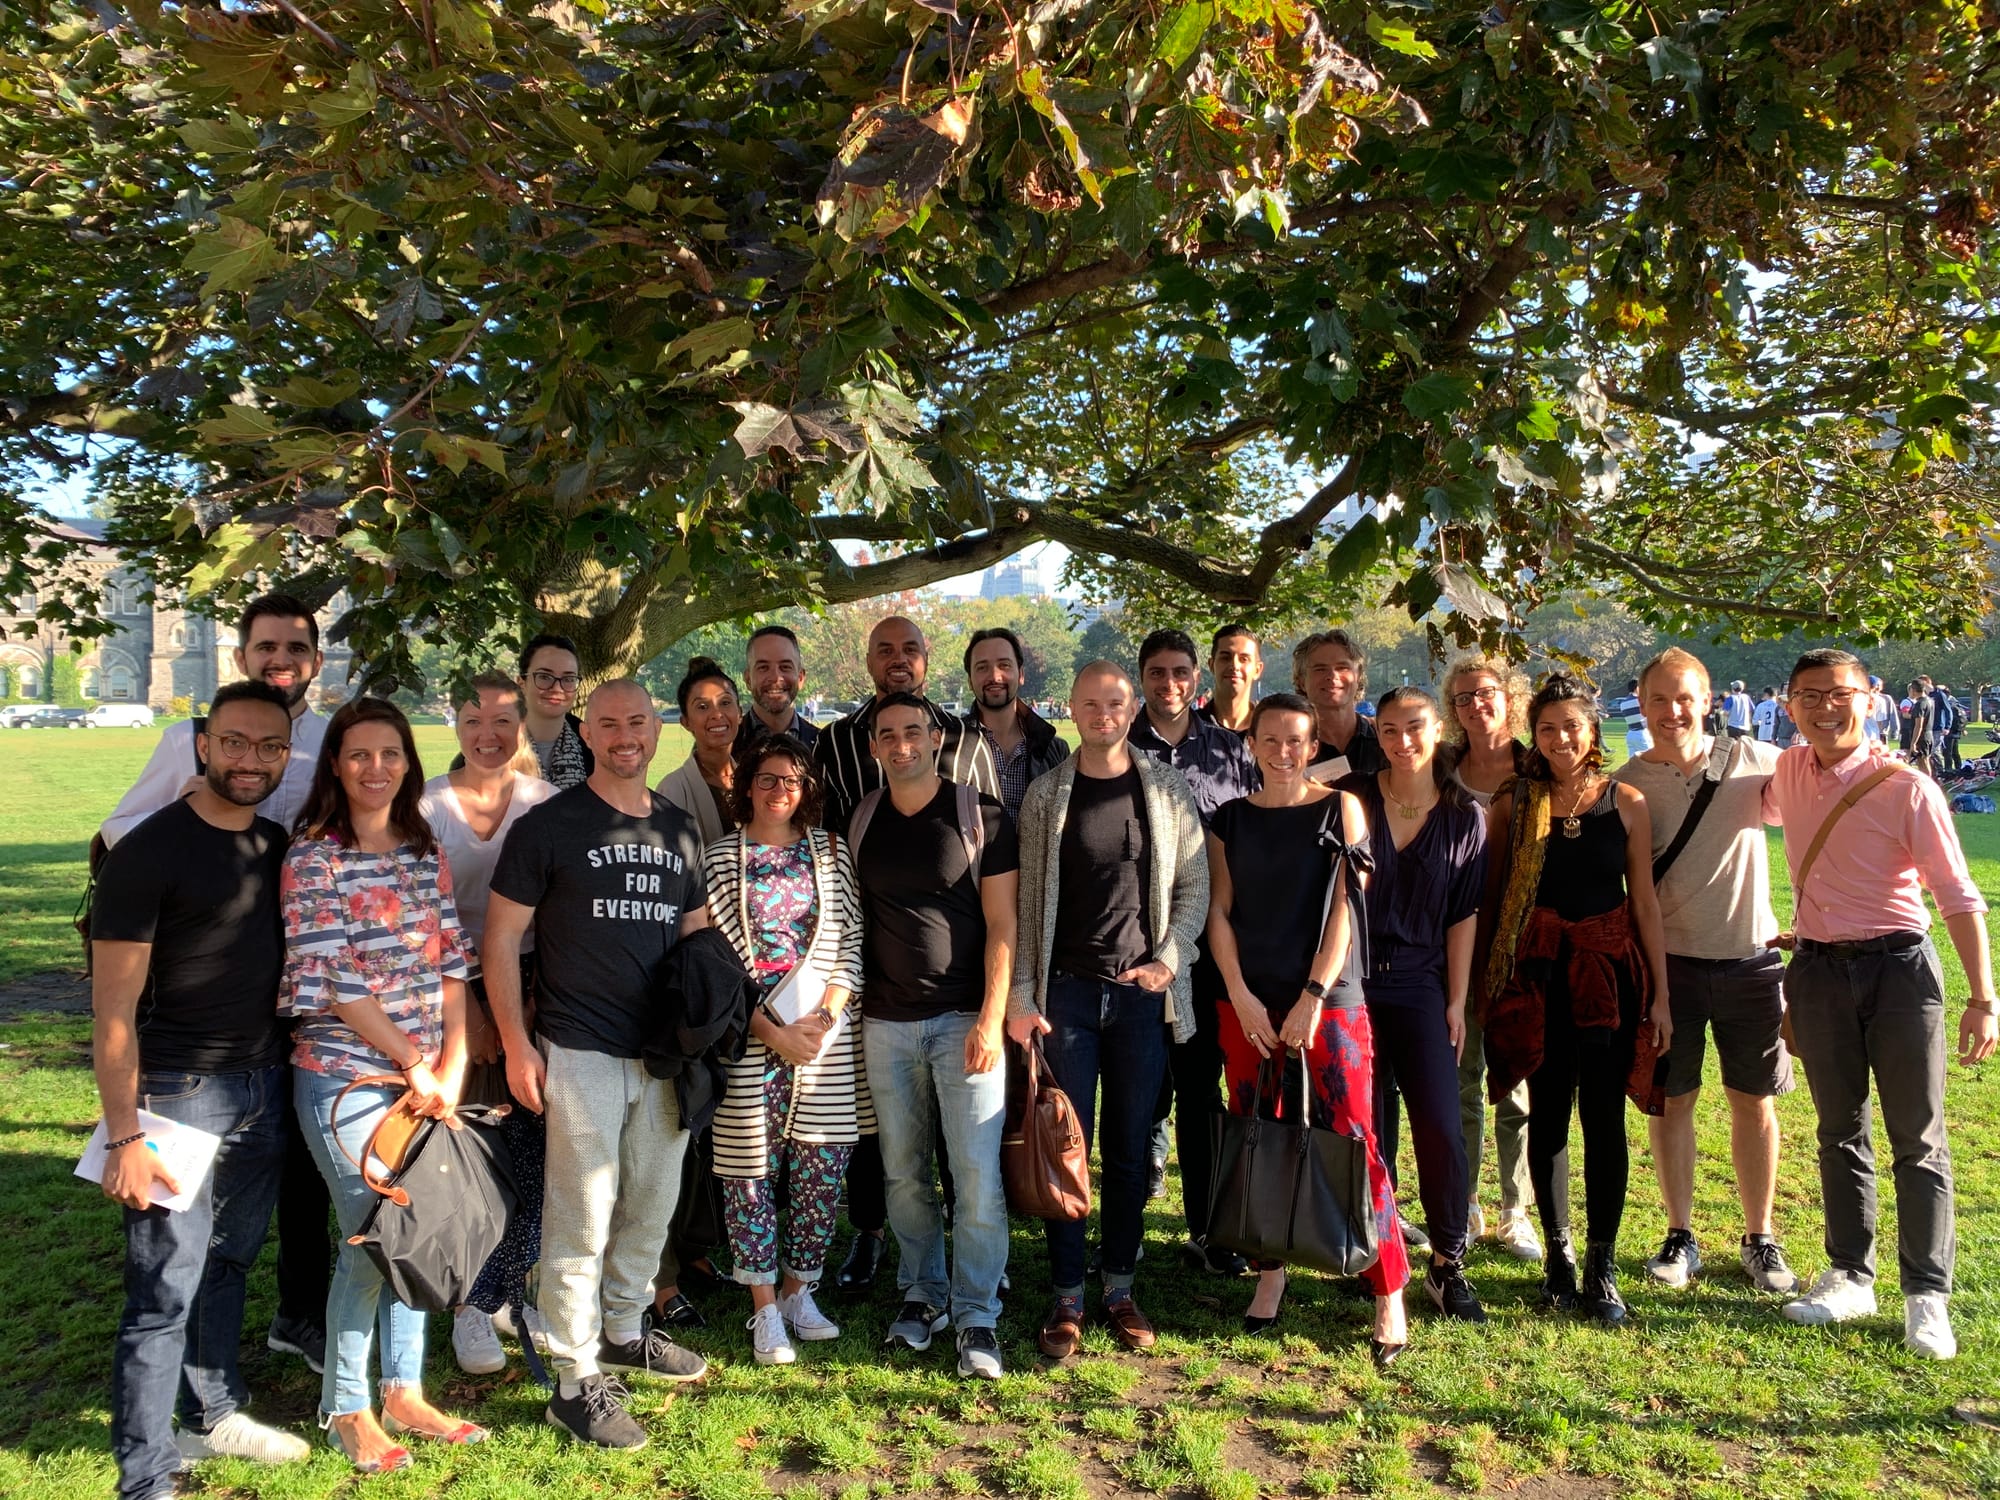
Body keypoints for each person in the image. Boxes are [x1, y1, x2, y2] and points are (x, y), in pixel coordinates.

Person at [99, 593, 334, 1373]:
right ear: (242, 656)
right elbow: (120, 832)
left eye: (295, 649)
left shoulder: (330, 742)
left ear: (315, 661)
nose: (281, 661)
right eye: (267, 647)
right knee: (189, 1227)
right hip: (206, 991)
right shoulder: (187, 740)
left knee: (301, 1174)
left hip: (298, 985)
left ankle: (298, 1314)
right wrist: (194, 842)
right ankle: (189, 1381)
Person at [93, 681, 310, 1500]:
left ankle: (210, 1414)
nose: (251, 760)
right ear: (204, 746)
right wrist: (124, 1134)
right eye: (235, 742)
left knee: (228, 1261)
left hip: (263, 1085)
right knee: (161, 1290)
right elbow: (112, 1011)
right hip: (177, 1095)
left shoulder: (275, 845)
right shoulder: (147, 852)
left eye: (269, 746)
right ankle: (145, 1474)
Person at [484, 680, 712, 1448]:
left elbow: (695, 939)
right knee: (580, 1218)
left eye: (637, 722)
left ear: (657, 728)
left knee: (651, 1205)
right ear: (586, 732)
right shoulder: (550, 826)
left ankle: (623, 1329)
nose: (624, 736)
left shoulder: (680, 829)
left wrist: (707, 1022)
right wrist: (517, 1043)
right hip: (579, 1048)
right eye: (608, 724)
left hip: (662, 1056)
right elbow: (500, 938)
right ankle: (575, 1377)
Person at [1765, 648, 1998, 1358]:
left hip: (1900, 973)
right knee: (1839, 1131)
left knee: (1918, 1140)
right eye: (1808, 695)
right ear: (1788, 704)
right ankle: (1849, 1275)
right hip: (1817, 970)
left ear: (1871, 700)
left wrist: (1983, 998)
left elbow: (1957, 896)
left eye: (1840, 693)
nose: (1824, 707)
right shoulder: (1786, 771)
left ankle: (1926, 1296)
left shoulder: (1908, 788)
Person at [280, 698, 484, 1472]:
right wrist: (413, 1062)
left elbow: (452, 959)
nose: (376, 768)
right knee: (372, 1240)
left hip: (427, 1080)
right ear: (335, 764)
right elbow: (335, 980)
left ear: (408, 763)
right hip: (346, 1078)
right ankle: (346, 1406)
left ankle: (404, 1391)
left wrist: (453, 1065)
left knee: (415, 1231)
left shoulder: (423, 851)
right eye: (359, 754)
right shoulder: (312, 858)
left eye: (390, 754)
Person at [1008, 662, 1209, 1358]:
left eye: (1115, 702)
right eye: (1090, 703)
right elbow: (1027, 904)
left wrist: (1168, 960)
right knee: (1065, 1151)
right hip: (1065, 995)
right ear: (1071, 708)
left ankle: (1119, 1285)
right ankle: (1067, 1294)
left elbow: (1194, 886)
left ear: (1132, 708)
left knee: (1128, 1152)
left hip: (1138, 999)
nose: (1103, 714)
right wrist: (1025, 994)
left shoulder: (1166, 788)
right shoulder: (1047, 795)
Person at [1206, 694, 1410, 1362]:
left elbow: (1347, 909)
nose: (1283, 751)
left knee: (1352, 1136)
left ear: (1313, 745)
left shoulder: (1340, 808)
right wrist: (1239, 994)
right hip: (1248, 1004)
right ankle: (1271, 1273)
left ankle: (1388, 1288)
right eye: (1270, 739)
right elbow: (1219, 913)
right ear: (1251, 745)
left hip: (1330, 1001)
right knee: (1259, 1133)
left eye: (1296, 740)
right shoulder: (1229, 819)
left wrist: (1314, 994)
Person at [812, 616, 998, 1292]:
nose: (898, 659)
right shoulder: (838, 752)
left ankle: (972, 1279)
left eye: (910, 649)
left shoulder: (969, 755)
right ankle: (887, 1253)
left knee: (966, 1157)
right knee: (891, 1152)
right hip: (882, 991)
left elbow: (996, 890)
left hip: (960, 995)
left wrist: (995, 1005)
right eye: (884, 649)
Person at [1480, 674, 1671, 1324]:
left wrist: (1661, 998)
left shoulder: (1627, 802)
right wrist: (1484, 985)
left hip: (1607, 976)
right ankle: (1557, 1261)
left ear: (1592, 731)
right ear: (1533, 735)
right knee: (1549, 1115)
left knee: (1604, 1118)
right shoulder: (1515, 802)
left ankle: (1601, 1265)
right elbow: (1495, 898)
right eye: (1547, 728)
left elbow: (1644, 903)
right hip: (1538, 976)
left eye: (1572, 726)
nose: (1560, 738)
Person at [1615, 650, 1797, 1295]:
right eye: (1660, 699)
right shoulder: (1626, 783)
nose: (1673, 711)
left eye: (1685, 697)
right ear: (1641, 704)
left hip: (1752, 961)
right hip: (1671, 969)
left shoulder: (1758, 760)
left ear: (1709, 699)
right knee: (1673, 1101)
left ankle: (1760, 1236)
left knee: (1754, 1100)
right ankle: (1679, 1233)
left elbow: (1826, 790)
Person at [851, 692, 1019, 1379]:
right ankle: (923, 1293)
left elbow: (1004, 926)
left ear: (935, 738)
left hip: (963, 1023)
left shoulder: (981, 815)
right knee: (904, 1173)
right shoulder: (863, 819)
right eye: (888, 734)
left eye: (913, 731)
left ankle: (977, 1312)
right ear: (873, 747)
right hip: (886, 1025)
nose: (901, 744)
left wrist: (990, 1019)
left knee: (976, 1177)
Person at [702, 734, 870, 1365]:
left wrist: (823, 1017)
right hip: (751, 1036)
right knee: (749, 1173)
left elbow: (851, 938)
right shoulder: (722, 857)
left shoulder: (831, 852)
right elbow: (715, 959)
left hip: (824, 1039)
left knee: (821, 1168)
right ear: (747, 785)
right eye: (768, 779)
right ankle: (765, 1308)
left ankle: (801, 1290)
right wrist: (771, 1030)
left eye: (793, 781)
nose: (780, 791)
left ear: (808, 789)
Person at [420, 673, 560, 1376]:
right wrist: (472, 1013)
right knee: (467, 1152)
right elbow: (425, 917)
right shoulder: (427, 808)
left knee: (534, 1149)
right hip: (450, 994)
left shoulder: (545, 803)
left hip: (534, 987)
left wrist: (524, 1013)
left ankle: (507, 1287)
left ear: (523, 726)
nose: (488, 734)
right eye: (474, 719)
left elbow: (560, 911)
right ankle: (469, 1306)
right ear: (455, 724)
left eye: (503, 720)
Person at [1349, 687, 1489, 1324]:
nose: (1402, 741)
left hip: (1421, 985)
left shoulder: (1464, 816)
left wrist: (1456, 1001)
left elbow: (1464, 915)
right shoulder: (1351, 797)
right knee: (1365, 1126)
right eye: (1388, 730)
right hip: (1352, 982)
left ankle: (1447, 1260)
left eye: (1414, 728)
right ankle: (1376, 1252)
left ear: (1437, 731)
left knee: (1439, 1124)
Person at [1126, 626, 1256, 1243]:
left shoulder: (1231, 752)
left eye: (1180, 672)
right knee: (1134, 1094)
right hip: (1133, 943)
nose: (1170, 684)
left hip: (1210, 945)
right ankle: (1122, 1236)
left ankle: (1207, 1229)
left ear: (1196, 678)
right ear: (1142, 679)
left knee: (1202, 1088)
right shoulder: (1119, 747)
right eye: (1157, 672)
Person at [1437, 655, 1541, 1263]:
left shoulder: (1537, 767)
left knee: (1516, 1084)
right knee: (1461, 1079)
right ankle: (1468, 1200)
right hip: (1453, 943)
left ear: (1510, 698)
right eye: (1463, 697)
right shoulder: (1441, 768)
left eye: (1486, 693)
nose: (1476, 705)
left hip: (1521, 946)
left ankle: (1515, 1208)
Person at [962, 626, 1069, 821]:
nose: (994, 676)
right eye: (982, 667)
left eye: (1004, 665)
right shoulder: (952, 744)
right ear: (970, 680)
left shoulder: (1054, 750)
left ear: (1021, 675)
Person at [657, 656, 744, 846]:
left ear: (740, 713)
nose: (717, 714)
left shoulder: (753, 780)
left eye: (725, 702)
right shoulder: (671, 790)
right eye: (702, 707)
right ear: (686, 722)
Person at [1293, 629, 1388, 780]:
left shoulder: (1386, 740)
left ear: (1358, 677)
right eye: (1320, 669)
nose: (1332, 676)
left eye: (1342, 667)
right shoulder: (1288, 747)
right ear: (1301, 681)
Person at [517, 633, 594, 787]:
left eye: (568, 679)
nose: (557, 688)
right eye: (545, 677)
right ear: (521, 683)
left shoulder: (595, 748)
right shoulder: (493, 744)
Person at [734, 625, 820, 755]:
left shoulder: (825, 745)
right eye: (763, 668)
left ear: (800, 678)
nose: (775, 677)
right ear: (748, 679)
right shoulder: (726, 745)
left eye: (785, 667)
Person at [1195, 623, 1261, 735]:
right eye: (1225, 658)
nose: (1234, 666)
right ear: (1211, 665)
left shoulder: (1271, 729)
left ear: (1257, 670)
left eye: (1244, 659)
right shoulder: (1189, 728)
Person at [1903, 678, 1938, 777]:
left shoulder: (1920, 704)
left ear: (1913, 690)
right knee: (1924, 760)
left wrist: (1913, 743)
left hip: (1922, 737)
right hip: (1929, 735)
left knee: (1923, 762)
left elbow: (1919, 725)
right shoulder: (1930, 700)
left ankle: (1927, 783)